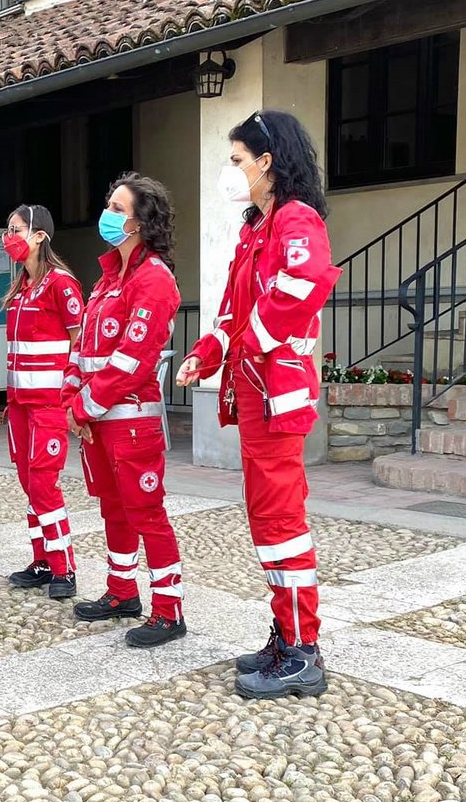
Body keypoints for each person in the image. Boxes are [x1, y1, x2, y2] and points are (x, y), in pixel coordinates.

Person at [177, 110, 342, 699]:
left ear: (268, 162)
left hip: (276, 394)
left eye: (238, 160)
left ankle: (302, 649)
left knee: (280, 522)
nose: (232, 170)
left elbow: (302, 288)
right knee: (268, 520)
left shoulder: (295, 222)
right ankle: (288, 632)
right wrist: (207, 351)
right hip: (255, 390)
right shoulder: (256, 229)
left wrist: (243, 345)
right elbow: (232, 310)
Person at [65, 173, 186, 649]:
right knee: (113, 508)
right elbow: (84, 350)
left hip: (130, 421)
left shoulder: (153, 279)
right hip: (97, 419)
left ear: (140, 222)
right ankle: (121, 592)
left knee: (146, 513)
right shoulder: (107, 279)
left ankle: (169, 609)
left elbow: (131, 362)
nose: (108, 215)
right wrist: (74, 402)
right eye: (109, 205)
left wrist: (84, 407)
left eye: (118, 208)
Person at [0, 204, 82, 599]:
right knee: (28, 483)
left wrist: (72, 396)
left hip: (48, 404)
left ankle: (65, 566)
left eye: (15, 229)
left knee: (45, 483)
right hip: (18, 404)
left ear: (39, 235)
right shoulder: (20, 287)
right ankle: (42, 559)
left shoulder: (61, 284)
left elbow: (79, 340)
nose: (8, 236)